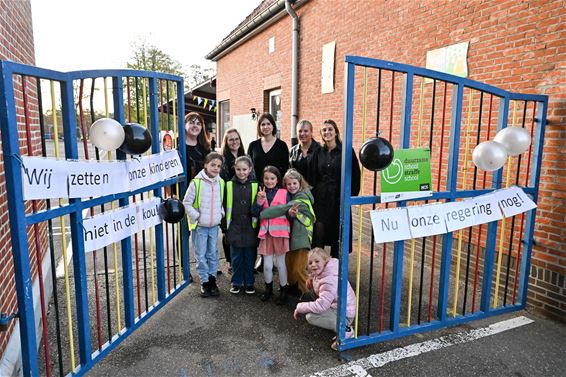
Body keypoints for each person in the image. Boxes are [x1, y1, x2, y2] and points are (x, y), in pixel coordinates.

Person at [260, 169, 315, 296]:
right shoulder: (293, 194)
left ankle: (312, 296)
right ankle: (293, 289)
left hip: (301, 237)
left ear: (300, 183)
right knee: (289, 265)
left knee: (299, 269)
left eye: (294, 183)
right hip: (293, 236)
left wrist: (263, 214)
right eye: (289, 184)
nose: (292, 186)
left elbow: (281, 208)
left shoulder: (301, 197)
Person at [311, 119, 361, 259]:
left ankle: (336, 271)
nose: (327, 132)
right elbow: (312, 176)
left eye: (330, 129)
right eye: (324, 130)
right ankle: (318, 268)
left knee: (338, 236)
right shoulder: (318, 152)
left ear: (336, 131)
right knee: (318, 235)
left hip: (339, 199)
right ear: (321, 134)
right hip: (321, 200)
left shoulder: (346, 151)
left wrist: (350, 196)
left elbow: (355, 175)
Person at [293, 247, 356, 350]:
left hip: (345, 314)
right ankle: (335, 322)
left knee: (311, 316)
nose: (313, 264)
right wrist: (312, 278)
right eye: (310, 263)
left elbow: (321, 306)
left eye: (317, 261)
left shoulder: (329, 281)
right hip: (340, 306)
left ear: (325, 261)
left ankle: (346, 331)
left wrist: (300, 307)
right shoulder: (328, 269)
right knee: (312, 294)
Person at [183, 152, 225, 298]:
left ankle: (213, 280)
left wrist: (221, 214)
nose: (215, 168)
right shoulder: (196, 183)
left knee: (213, 254)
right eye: (213, 165)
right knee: (201, 255)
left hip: (214, 226)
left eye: (218, 166)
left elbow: (221, 201)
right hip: (200, 226)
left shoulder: (221, 182)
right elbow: (186, 203)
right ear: (205, 165)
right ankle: (204, 281)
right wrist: (197, 216)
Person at [253, 166, 290, 305]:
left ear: (278, 179)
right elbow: (254, 212)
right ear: (263, 179)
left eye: (272, 178)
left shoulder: (284, 193)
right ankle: (268, 289)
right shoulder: (260, 193)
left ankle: (283, 290)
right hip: (266, 234)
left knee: (281, 265)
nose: (269, 181)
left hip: (281, 233)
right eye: (266, 178)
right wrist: (259, 202)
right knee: (267, 266)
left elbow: (289, 214)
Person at [223, 156, 259, 295]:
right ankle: (236, 282)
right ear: (234, 169)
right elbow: (224, 206)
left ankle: (249, 282)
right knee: (236, 257)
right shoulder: (228, 185)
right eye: (238, 169)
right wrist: (225, 228)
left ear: (250, 169)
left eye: (244, 169)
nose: (241, 172)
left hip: (251, 227)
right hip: (234, 227)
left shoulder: (256, 185)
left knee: (250, 257)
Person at [220, 127, 247, 272]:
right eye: (231, 139)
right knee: (228, 230)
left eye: (236, 139)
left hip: (244, 197)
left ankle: (244, 260)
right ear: (226, 141)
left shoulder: (245, 156)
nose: (234, 142)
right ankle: (230, 262)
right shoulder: (223, 159)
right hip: (228, 197)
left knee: (243, 228)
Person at [247, 113, 289, 180]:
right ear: (259, 127)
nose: (266, 127)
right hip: (256, 186)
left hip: (276, 187)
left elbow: (285, 168)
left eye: (268, 124)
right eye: (263, 124)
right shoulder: (253, 146)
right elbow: (248, 167)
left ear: (273, 126)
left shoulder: (282, 145)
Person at [289, 119, 320, 186]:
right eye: (300, 131)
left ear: (311, 132)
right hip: (296, 191)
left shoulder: (320, 149)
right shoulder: (292, 151)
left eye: (306, 131)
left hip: (315, 192)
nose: (302, 134)